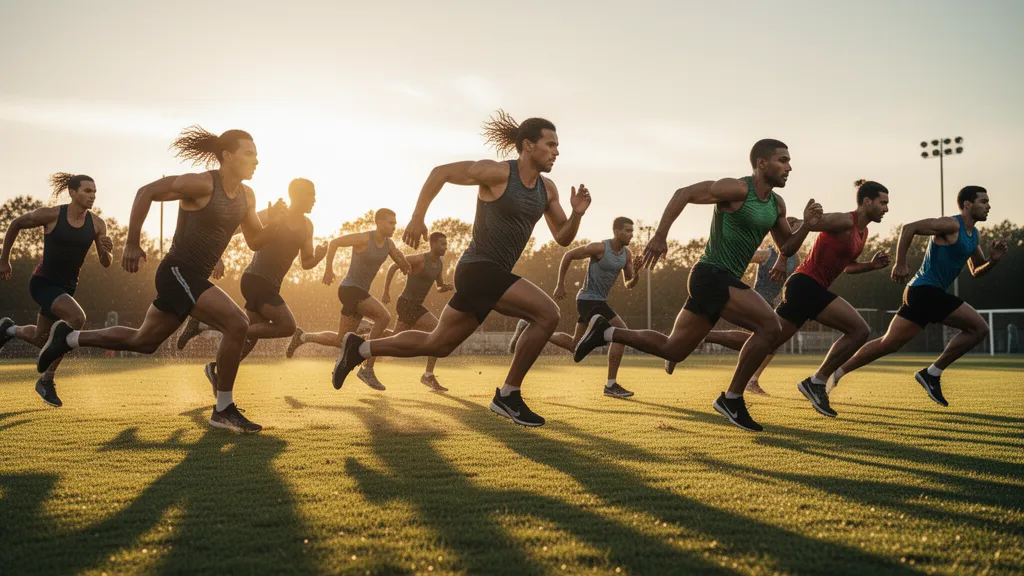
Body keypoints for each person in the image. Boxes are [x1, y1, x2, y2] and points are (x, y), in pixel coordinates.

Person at [329, 110, 591, 427]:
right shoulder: (497, 174)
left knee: (438, 343)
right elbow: (440, 172)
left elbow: (563, 237)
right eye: (550, 144)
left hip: (488, 278)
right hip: (478, 269)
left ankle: (361, 347)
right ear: (527, 146)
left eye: (557, 145)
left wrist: (577, 214)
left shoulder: (547, 190)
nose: (557, 151)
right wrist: (417, 217)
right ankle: (508, 395)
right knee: (547, 313)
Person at [35, 126, 284, 433]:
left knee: (144, 341)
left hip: (190, 279)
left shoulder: (247, 196)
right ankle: (222, 410)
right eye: (250, 154)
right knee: (238, 323)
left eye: (257, 154)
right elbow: (146, 192)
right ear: (228, 156)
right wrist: (132, 242)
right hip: (178, 272)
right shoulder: (202, 183)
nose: (256, 160)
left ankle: (68, 339)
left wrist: (275, 223)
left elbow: (255, 240)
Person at [573, 139, 821, 432]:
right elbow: (684, 193)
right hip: (710, 275)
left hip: (722, 281)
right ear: (762, 163)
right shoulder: (737, 189)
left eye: (789, 161)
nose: (789, 166)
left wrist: (805, 226)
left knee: (673, 350)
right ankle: (732, 398)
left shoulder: (776, 205)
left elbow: (787, 247)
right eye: (782, 160)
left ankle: (607, 331)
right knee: (771, 327)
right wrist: (661, 235)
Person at [831, 186, 1007, 406]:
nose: (988, 206)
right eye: (984, 201)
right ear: (968, 205)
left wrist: (993, 261)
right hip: (925, 290)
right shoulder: (951, 224)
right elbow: (909, 228)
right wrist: (901, 263)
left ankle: (835, 373)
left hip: (920, 293)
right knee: (979, 328)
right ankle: (931, 373)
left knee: (888, 344)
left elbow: (976, 270)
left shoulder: (974, 236)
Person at [176, 178, 327, 391]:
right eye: (311, 195)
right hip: (255, 279)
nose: (314, 200)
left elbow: (306, 262)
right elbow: (233, 229)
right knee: (288, 326)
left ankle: (212, 357)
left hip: (271, 285)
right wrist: (216, 257)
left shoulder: (307, 226)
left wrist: (319, 257)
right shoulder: (275, 213)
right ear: (298, 196)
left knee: (249, 337)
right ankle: (209, 330)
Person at [0, 173, 113, 406]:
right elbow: (16, 223)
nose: (92, 196)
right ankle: (47, 380)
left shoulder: (97, 224)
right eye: (87, 191)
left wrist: (106, 250)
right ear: (73, 193)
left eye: (94, 192)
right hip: (43, 282)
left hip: (67, 289)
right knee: (77, 318)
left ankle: (8, 329)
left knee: (42, 339)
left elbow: (106, 262)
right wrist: (4, 260)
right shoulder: (51, 215)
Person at [508, 216, 639, 398]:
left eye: (632, 231)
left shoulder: (627, 255)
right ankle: (611, 385)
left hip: (599, 301)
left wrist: (637, 273)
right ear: (616, 231)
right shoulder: (599, 247)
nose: (631, 235)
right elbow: (568, 255)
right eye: (627, 231)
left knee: (574, 345)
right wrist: (560, 284)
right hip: (588, 299)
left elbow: (629, 283)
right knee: (622, 334)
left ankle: (527, 326)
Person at [286, 208, 410, 391]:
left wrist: (406, 265)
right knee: (383, 317)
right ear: (379, 222)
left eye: (395, 222)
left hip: (357, 293)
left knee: (340, 340)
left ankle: (302, 336)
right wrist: (328, 269)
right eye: (391, 223)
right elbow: (335, 243)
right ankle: (368, 368)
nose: (394, 226)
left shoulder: (389, 245)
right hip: (350, 289)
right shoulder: (363, 239)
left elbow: (400, 259)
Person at [699, 218, 801, 395]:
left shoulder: (796, 257)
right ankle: (707, 337)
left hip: (770, 303)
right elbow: (740, 257)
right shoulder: (767, 254)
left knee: (771, 342)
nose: (799, 237)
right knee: (766, 340)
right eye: (796, 232)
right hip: (756, 298)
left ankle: (750, 379)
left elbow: (788, 282)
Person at [379, 231, 454, 392]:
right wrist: (386, 291)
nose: (445, 247)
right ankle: (428, 375)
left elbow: (438, 286)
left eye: (446, 244)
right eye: (442, 244)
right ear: (432, 244)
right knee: (436, 331)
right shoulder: (419, 259)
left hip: (416, 305)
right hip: (406, 303)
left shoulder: (439, 264)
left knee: (395, 337)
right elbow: (393, 266)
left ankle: (368, 332)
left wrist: (445, 287)